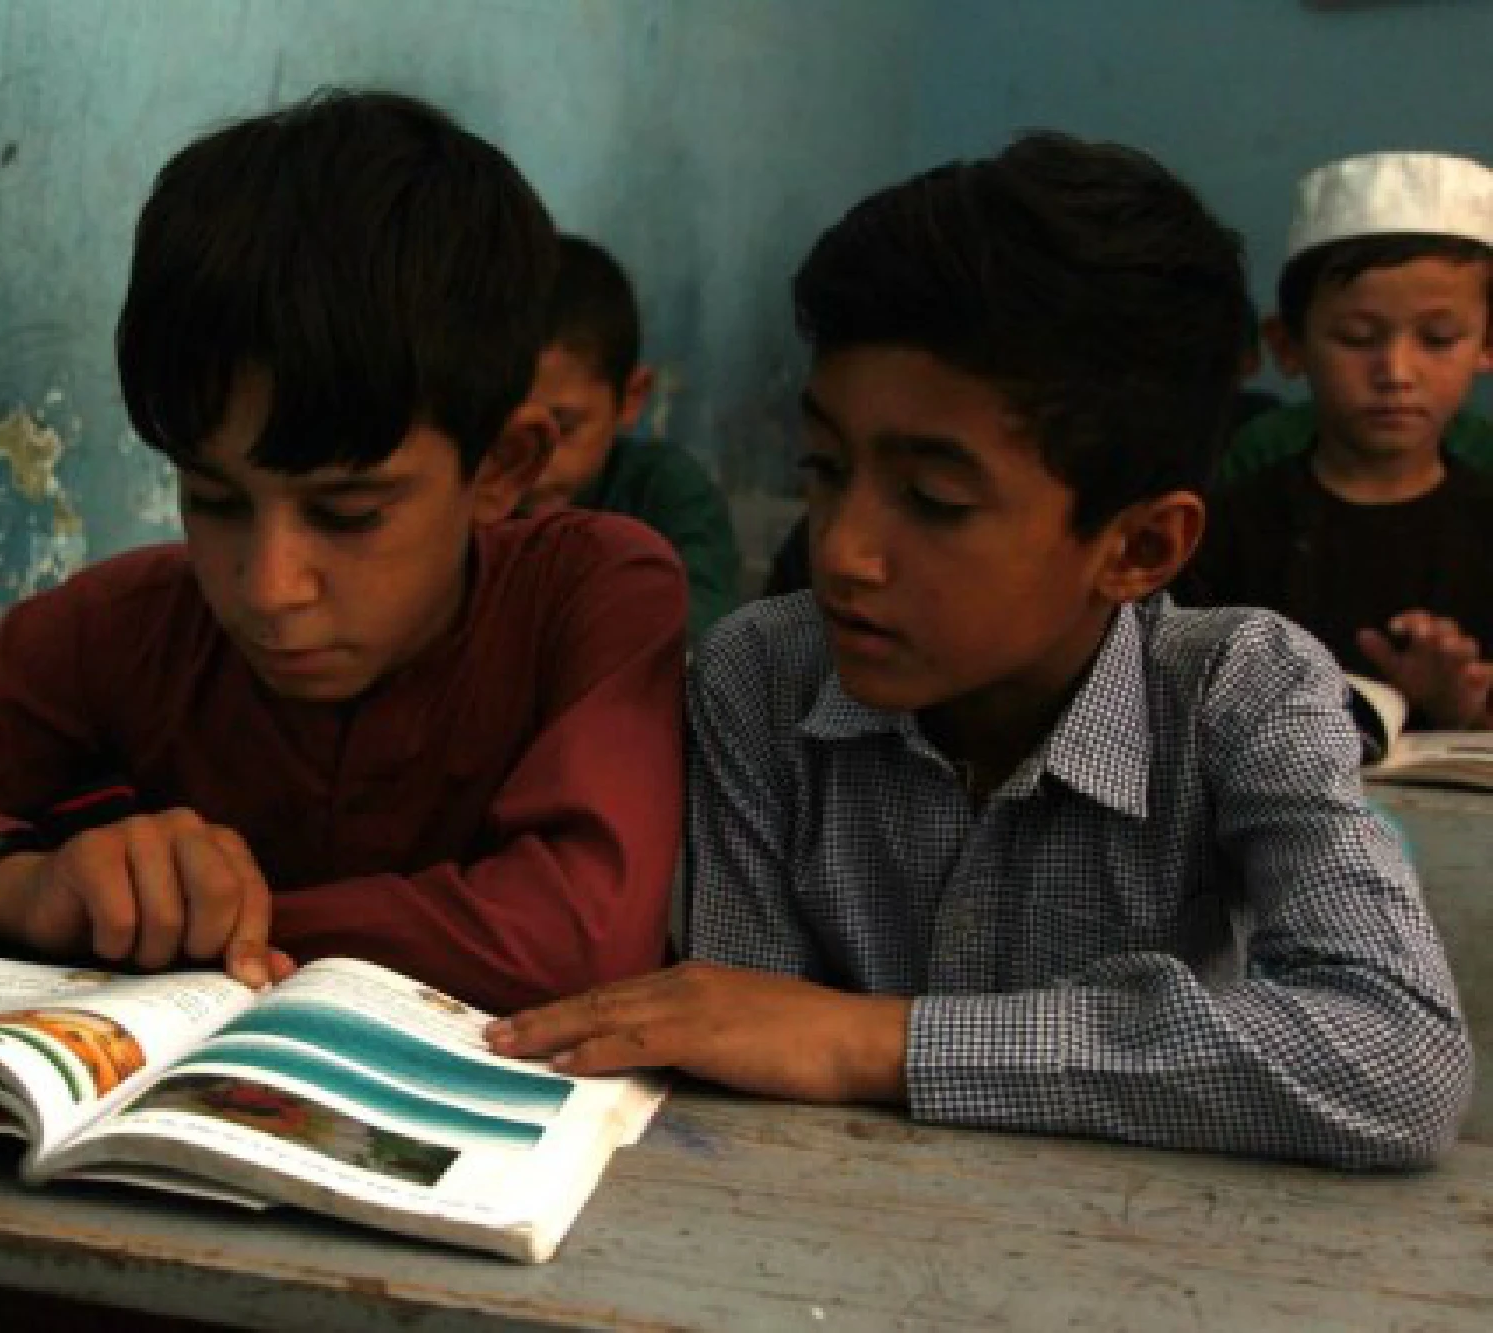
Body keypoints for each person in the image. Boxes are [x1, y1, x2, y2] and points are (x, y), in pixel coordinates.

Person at [489, 133, 1472, 1167]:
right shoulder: (761, 676)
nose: (842, 550)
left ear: (1137, 546)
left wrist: (877, 1039)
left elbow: (1394, 1060)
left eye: (935, 500)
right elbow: (739, 1060)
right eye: (822, 467)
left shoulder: (1239, 690)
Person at [0, 90, 688, 1015]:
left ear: (501, 466)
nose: (268, 587)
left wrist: (193, 924)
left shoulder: (594, 593)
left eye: (349, 513)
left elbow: (577, 935)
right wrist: (25, 888)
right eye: (213, 499)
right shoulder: (139, 625)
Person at [1183, 150, 1493, 730]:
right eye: (1357, 337)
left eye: (1438, 338)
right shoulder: (1229, 536)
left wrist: (1463, 708)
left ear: (1486, 344)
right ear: (1289, 346)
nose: (1397, 372)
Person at [525, 235, 740, 641]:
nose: (530, 465)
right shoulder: (476, 494)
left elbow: (704, 632)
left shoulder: (666, 492)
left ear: (631, 398)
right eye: (506, 433)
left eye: (563, 429)